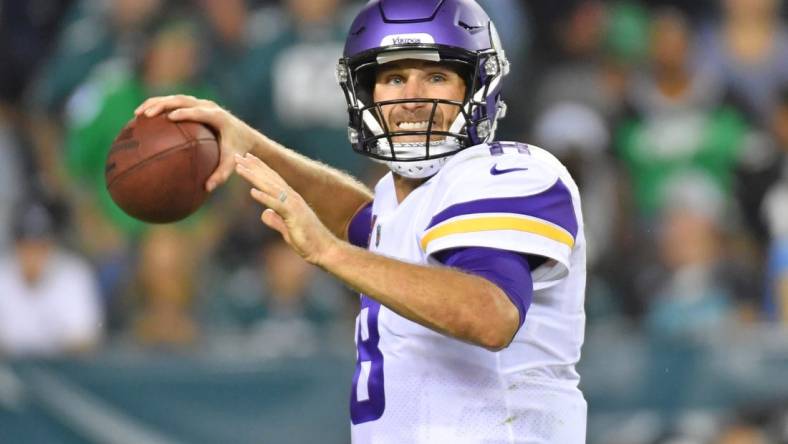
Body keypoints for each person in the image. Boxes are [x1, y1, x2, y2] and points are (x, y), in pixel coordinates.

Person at [135, 0, 587, 442]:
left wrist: (329, 252)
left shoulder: (509, 172)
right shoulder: (403, 199)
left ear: (478, 87)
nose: (412, 98)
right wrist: (250, 144)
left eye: (436, 76)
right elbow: (363, 219)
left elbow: (491, 315)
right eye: (393, 77)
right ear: (364, 92)